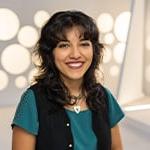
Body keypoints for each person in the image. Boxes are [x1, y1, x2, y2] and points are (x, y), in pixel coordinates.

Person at [12, 10, 125, 150]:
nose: (75, 54)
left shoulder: (104, 97)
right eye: (64, 45)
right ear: (50, 53)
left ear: (94, 50)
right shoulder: (33, 100)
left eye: (84, 44)